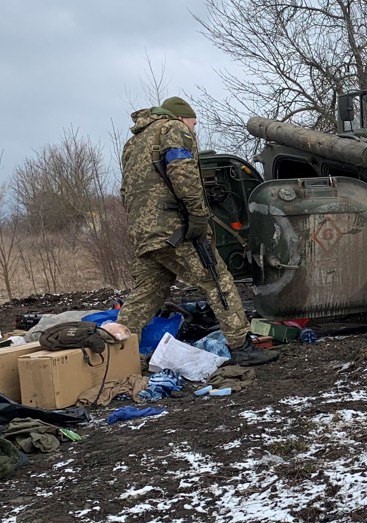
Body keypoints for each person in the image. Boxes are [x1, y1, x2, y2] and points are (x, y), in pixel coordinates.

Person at [117, 96, 275, 366]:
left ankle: (114, 350)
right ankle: (241, 345)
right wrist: (198, 216)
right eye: (194, 122)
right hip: (175, 230)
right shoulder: (173, 129)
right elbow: (182, 173)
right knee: (217, 281)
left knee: (147, 293)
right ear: (180, 117)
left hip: (145, 233)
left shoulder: (134, 143)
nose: (194, 128)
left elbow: (125, 192)